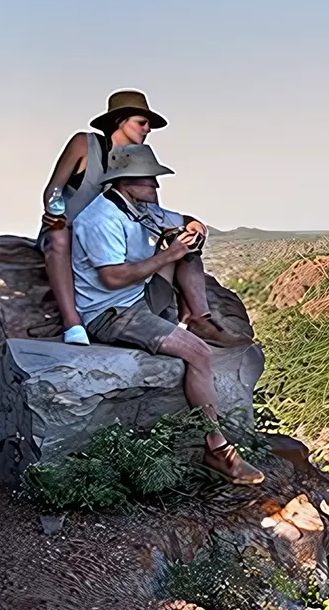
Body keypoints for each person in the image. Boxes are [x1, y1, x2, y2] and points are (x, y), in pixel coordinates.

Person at [70, 143, 263, 485]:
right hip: (112, 312)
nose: (155, 186)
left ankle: (197, 318)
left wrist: (194, 231)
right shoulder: (100, 218)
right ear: (125, 180)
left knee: (187, 250)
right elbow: (111, 278)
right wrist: (167, 255)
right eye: (149, 180)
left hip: (140, 296)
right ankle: (217, 449)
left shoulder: (140, 207)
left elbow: (187, 220)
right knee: (198, 354)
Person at [40, 90, 165, 345]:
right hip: (68, 228)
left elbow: (152, 210)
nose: (148, 129)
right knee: (59, 239)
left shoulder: (139, 162)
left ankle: (181, 315)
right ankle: (72, 323)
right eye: (142, 122)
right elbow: (54, 188)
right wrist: (55, 213)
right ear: (120, 120)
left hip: (109, 239)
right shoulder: (85, 144)